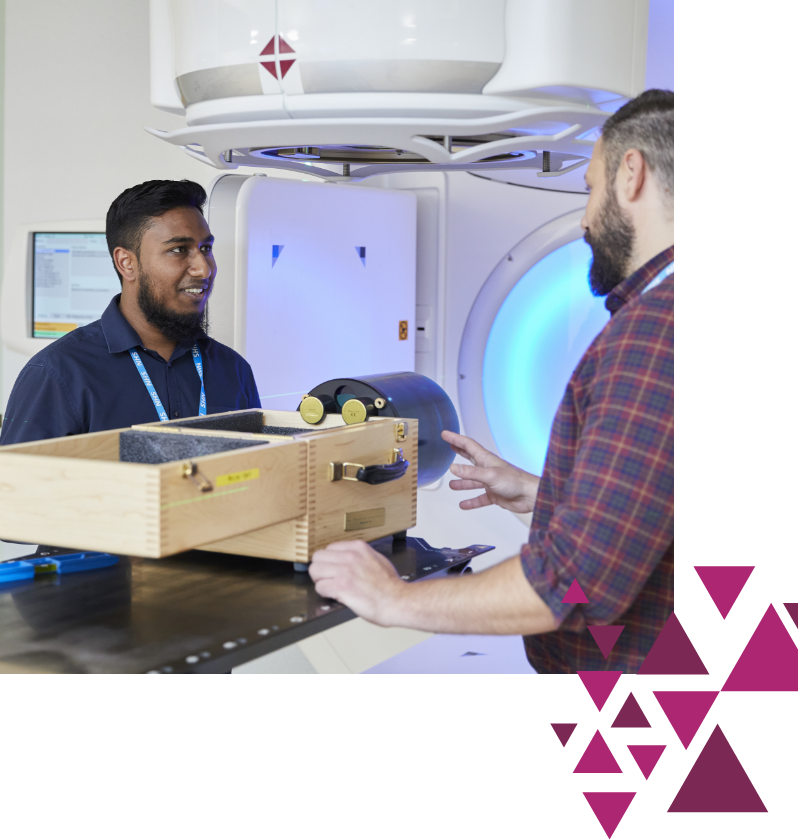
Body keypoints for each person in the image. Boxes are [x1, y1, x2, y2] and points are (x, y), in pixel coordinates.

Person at [307, 89, 675, 674]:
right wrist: (545, 493)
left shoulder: (653, 333)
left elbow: (575, 581)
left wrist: (392, 597)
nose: (584, 219)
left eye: (590, 189)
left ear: (631, 174)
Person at [0, 180, 260, 445]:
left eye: (206, 249)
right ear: (127, 263)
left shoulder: (233, 370)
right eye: (178, 250)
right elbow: (17, 484)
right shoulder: (58, 374)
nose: (203, 269)